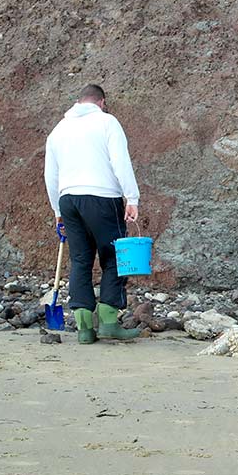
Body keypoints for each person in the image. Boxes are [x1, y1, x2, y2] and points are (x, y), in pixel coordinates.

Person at [44, 84, 142, 344]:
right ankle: (109, 321)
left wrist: (57, 211)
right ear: (101, 102)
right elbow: (120, 161)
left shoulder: (58, 130)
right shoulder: (107, 122)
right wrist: (131, 198)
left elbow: (50, 175)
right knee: (113, 257)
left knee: (80, 260)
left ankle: (84, 328)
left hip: (68, 200)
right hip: (102, 196)